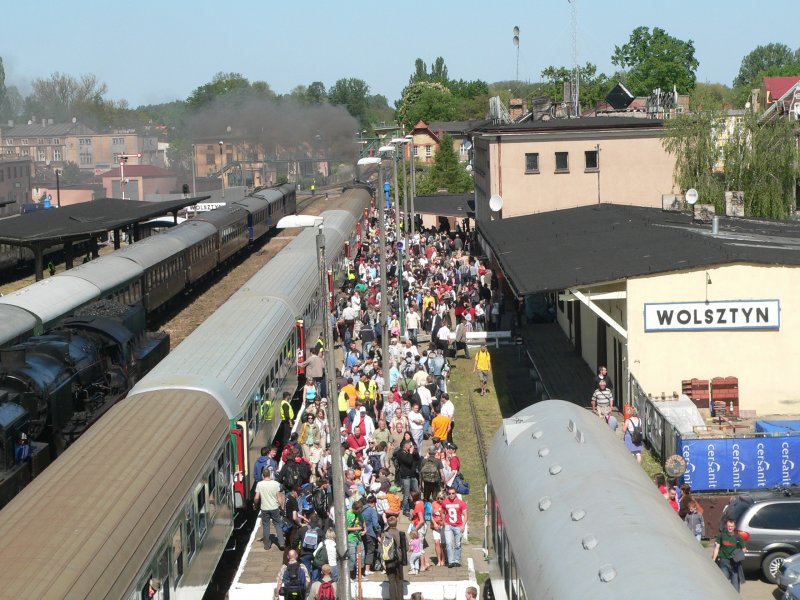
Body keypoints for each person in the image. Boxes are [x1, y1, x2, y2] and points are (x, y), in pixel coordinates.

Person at [254, 468, 285, 551]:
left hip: (264, 508)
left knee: (266, 526)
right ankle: (281, 543)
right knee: (278, 525)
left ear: (262, 475)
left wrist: (255, 504)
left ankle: (267, 545)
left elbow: (256, 497)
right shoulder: (275, 484)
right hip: (274, 507)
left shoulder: (259, 484)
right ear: (270, 475)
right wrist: (281, 507)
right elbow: (279, 497)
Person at [712, 517, 746, 592]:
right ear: (726, 526)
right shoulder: (721, 536)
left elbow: (744, 549)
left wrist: (740, 554)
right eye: (728, 526)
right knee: (723, 583)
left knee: (735, 585)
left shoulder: (738, 537)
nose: (730, 528)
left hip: (734, 563)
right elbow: (717, 547)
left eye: (732, 526)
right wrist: (713, 560)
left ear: (734, 527)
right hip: (723, 561)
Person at [442, 486, 467, 568]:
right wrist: (444, 521)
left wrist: (463, 525)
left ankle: (457, 560)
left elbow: (465, 515)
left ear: (455, 493)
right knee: (449, 543)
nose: (451, 495)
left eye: (453, 493)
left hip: (458, 526)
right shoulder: (445, 502)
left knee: (457, 544)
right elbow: (442, 512)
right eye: (449, 494)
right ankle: (450, 561)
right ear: (447, 494)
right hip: (448, 525)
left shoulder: (461, 503)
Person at [384, 515, 404, 600]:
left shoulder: (385, 534)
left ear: (388, 523)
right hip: (399, 559)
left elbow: (381, 549)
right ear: (396, 523)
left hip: (388, 560)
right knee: (399, 580)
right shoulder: (400, 533)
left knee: (391, 580)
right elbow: (405, 547)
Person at [346, 500, 366, 577]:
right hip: (351, 539)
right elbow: (344, 528)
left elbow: (363, 521)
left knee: (362, 556)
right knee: (352, 558)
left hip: (359, 537)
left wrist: (365, 530)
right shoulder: (347, 514)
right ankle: (351, 575)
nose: (359, 512)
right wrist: (355, 529)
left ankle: (361, 574)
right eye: (358, 510)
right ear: (354, 508)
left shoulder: (359, 514)